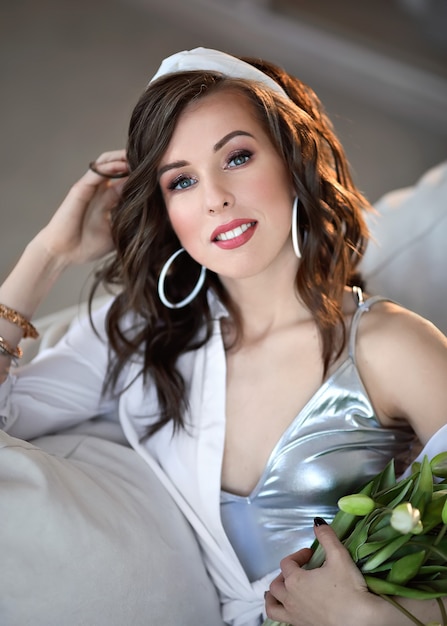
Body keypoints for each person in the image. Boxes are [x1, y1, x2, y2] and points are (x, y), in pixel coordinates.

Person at [0, 47, 446, 625]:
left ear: (295, 160)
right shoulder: (142, 338)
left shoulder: (388, 345)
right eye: (180, 181)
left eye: (236, 157)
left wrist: (367, 619)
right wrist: (47, 254)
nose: (214, 198)